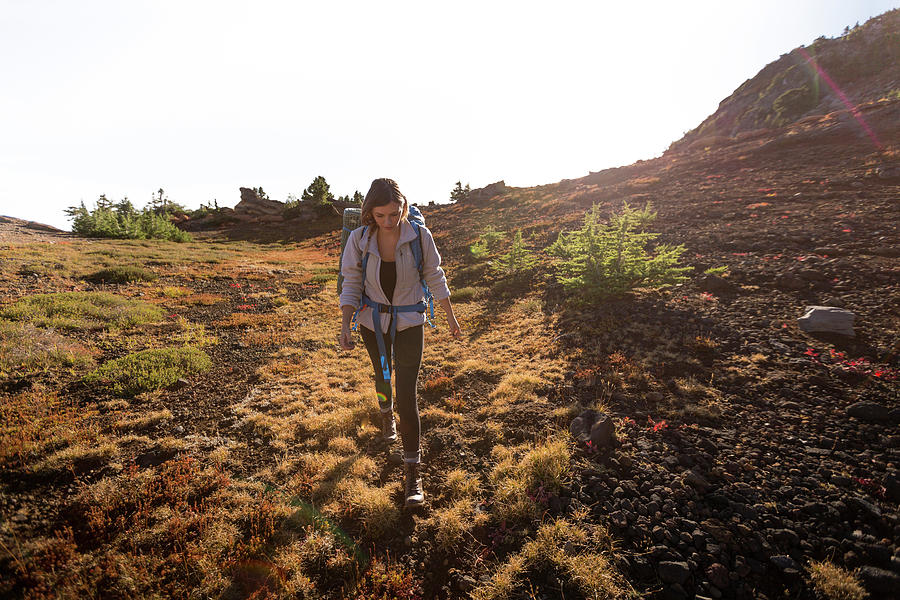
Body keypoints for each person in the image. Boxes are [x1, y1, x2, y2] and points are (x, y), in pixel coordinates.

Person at [339, 178, 461, 508]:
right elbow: (350, 281)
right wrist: (345, 324)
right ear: (370, 214)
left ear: (403, 207)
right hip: (372, 324)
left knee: (407, 395)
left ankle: (412, 473)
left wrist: (450, 317)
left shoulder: (419, 236)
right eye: (381, 216)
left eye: (394, 213)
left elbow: (435, 275)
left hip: (409, 324)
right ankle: (384, 413)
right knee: (383, 377)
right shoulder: (359, 240)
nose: (389, 222)